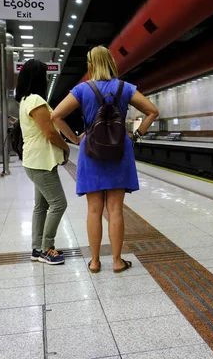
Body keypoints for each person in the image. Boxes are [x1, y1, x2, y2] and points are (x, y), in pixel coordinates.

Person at [52, 46, 159, 273]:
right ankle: (118, 261)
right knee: (116, 209)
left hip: (92, 151)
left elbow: (56, 116)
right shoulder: (125, 88)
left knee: (93, 209)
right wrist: (137, 135)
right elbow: (152, 111)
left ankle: (94, 261)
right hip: (120, 150)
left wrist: (76, 139)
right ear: (111, 62)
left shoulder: (82, 89)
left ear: (90, 64)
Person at [16, 59, 69, 265]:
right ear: (38, 78)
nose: (47, 79)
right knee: (59, 203)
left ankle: (37, 249)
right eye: (45, 75)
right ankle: (47, 248)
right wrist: (65, 147)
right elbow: (49, 133)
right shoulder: (36, 100)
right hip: (40, 161)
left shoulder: (25, 100)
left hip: (35, 160)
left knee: (41, 206)